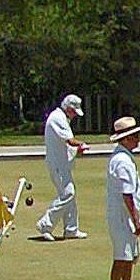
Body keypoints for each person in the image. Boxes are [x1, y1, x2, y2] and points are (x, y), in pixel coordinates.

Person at [105, 116, 140, 280]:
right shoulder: (122, 161)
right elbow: (126, 194)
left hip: (125, 216)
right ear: (125, 139)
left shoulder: (124, 157)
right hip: (122, 217)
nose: (138, 139)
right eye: (135, 136)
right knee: (121, 258)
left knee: (129, 258)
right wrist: (135, 219)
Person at [36, 94, 89, 239]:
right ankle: (45, 224)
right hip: (57, 164)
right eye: (74, 112)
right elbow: (70, 141)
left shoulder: (61, 118)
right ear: (68, 109)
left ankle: (71, 229)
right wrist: (82, 144)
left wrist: (76, 150)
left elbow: (63, 144)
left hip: (61, 163)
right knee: (68, 194)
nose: (74, 116)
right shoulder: (58, 118)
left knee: (69, 194)